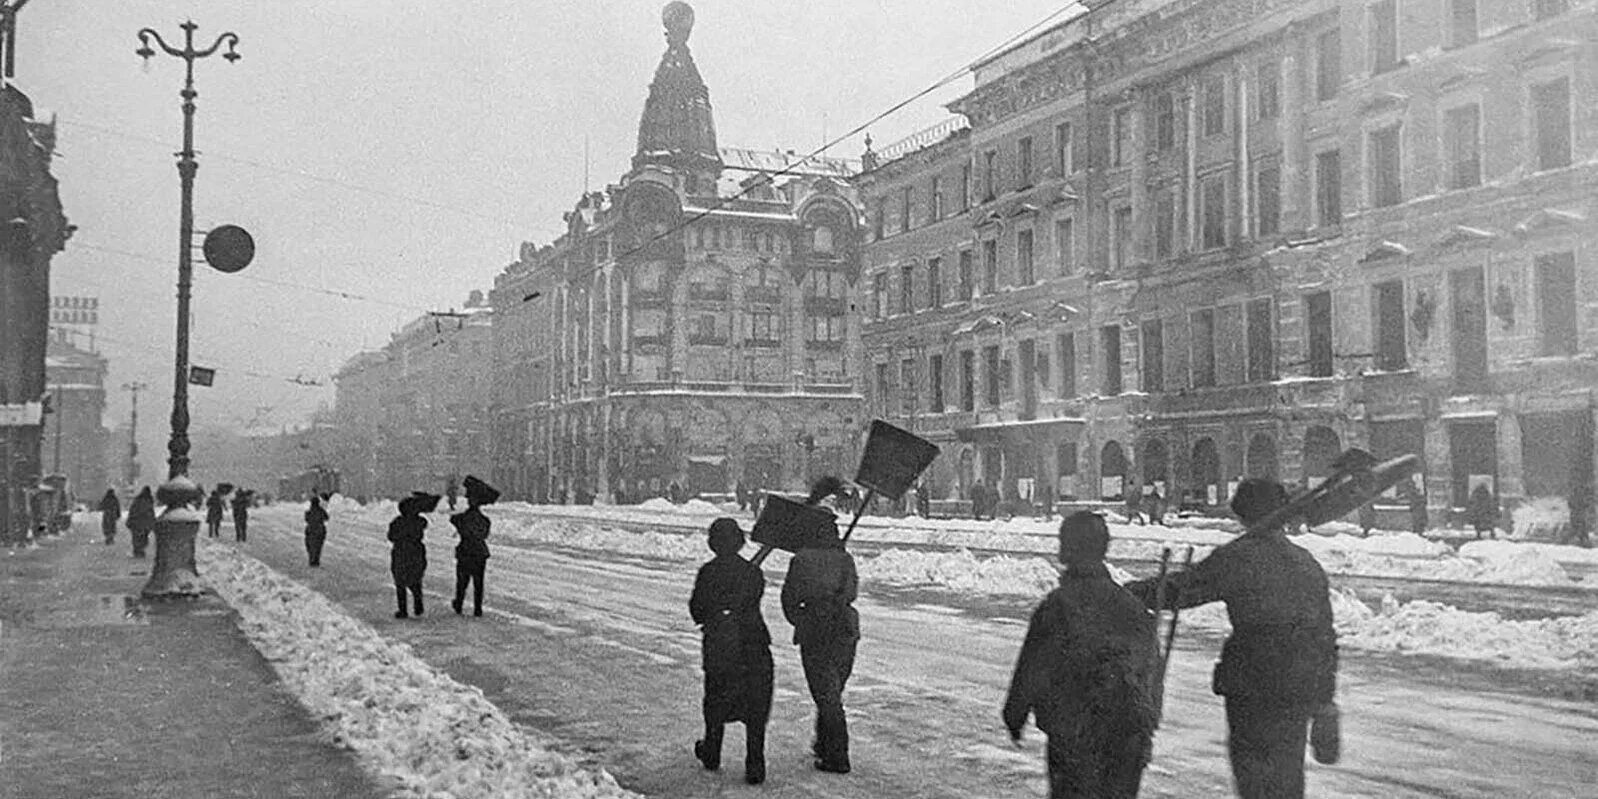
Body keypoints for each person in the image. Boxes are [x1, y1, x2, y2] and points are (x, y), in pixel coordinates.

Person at [1123, 478, 1340, 799]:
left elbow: (1183, 589)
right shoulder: (1306, 565)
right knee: (1287, 778)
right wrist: (1325, 701)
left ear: (1242, 514)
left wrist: (1130, 592)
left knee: (1253, 779)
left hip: (1250, 685)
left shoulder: (1238, 558)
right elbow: (1325, 639)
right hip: (1296, 687)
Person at [1003, 511, 1159, 799]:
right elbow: (1150, 671)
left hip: (1072, 739)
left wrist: (1015, 715)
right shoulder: (1131, 606)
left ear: (1066, 550)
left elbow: (1031, 668)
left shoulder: (1056, 608)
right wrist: (1147, 727)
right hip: (1125, 741)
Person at [781, 476, 859, 775]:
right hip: (845, 631)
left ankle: (837, 755)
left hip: (815, 632)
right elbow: (851, 593)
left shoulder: (801, 559)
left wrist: (802, 620)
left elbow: (789, 599)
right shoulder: (844, 559)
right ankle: (823, 745)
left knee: (826, 694)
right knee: (832, 691)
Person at [689, 517, 773, 785]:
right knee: (756, 703)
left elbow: (696, 610)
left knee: (716, 697)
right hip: (753, 644)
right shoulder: (752, 573)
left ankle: (712, 751)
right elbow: (754, 596)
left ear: (713, 543)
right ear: (739, 541)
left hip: (720, 647)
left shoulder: (707, 572)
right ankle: (755, 763)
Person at [450, 475, 499, 617]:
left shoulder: (462, 518)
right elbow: (484, 535)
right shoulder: (485, 520)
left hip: (465, 552)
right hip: (479, 553)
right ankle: (478, 608)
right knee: (479, 582)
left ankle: (459, 603)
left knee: (462, 581)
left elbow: (454, 520)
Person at [388, 493, 433, 619]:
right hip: (416, 552)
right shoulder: (419, 521)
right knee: (416, 580)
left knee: (400, 582)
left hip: (401, 552)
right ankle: (418, 605)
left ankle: (403, 610)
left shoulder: (397, 522)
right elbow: (424, 523)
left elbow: (391, 537)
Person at [126, 487, 156, 558]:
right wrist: (152, 523)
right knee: (143, 537)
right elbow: (151, 513)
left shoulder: (137, 500)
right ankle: (141, 550)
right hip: (145, 524)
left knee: (136, 537)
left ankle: (137, 550)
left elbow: (132, 511)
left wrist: (130, 520)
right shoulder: (149, 501)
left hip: (136, 523)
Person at [304, 496, 330, 567]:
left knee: (310, 545)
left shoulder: (309, 511)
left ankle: (312, 559)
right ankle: (316, 560)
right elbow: (327, 518)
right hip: (320, 531)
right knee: (318, 546)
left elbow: (306, 519)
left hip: (311, 531)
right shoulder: (321, 511)